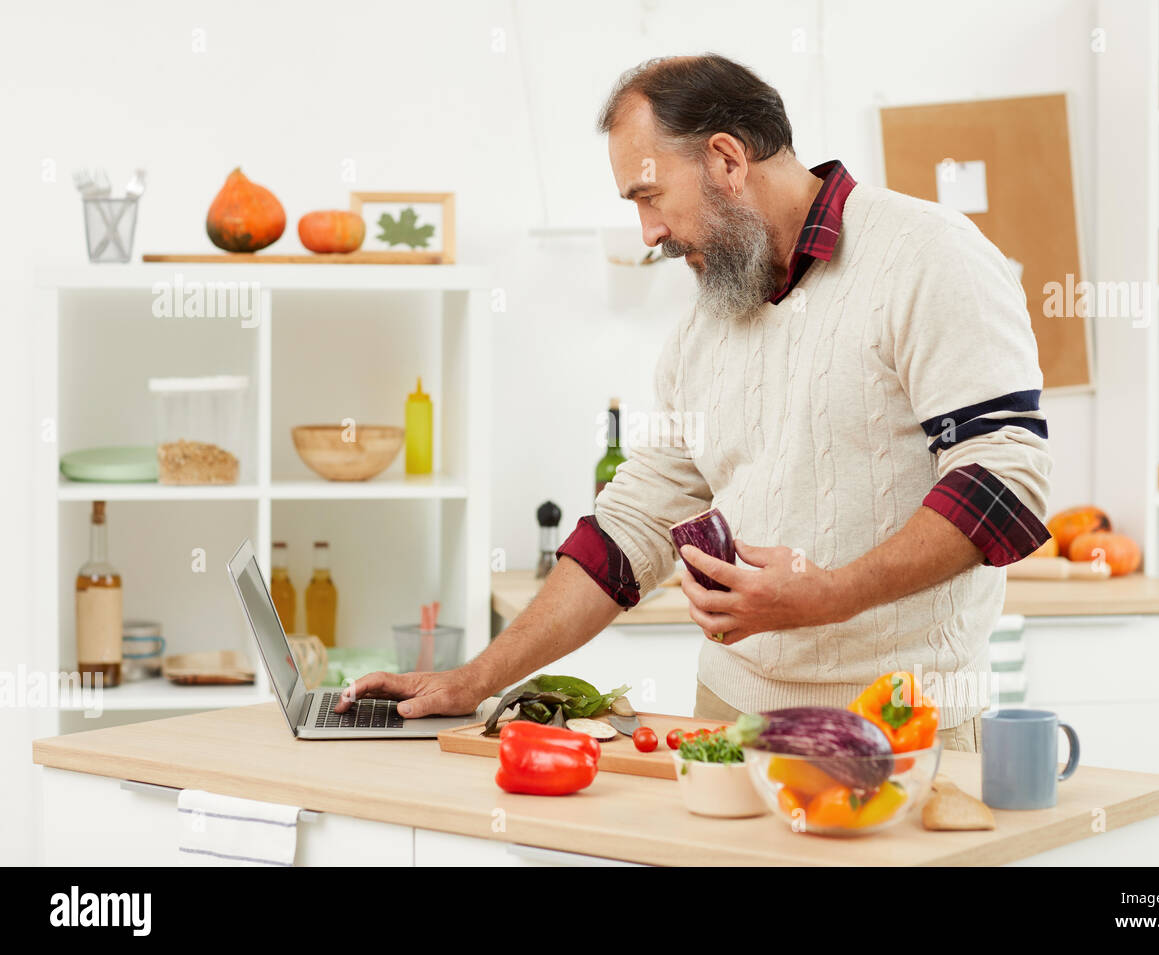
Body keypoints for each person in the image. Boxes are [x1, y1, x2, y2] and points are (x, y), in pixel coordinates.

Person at [338, 54, 1052, 752]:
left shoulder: (930, 257)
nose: (649, 233)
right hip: (727, 719)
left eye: (648, 196)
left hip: (899, 726)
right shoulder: (707, 323)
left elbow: (1004, 481)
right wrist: (477, 680)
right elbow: (634, 523)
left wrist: (827, 595)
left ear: (726, 161)